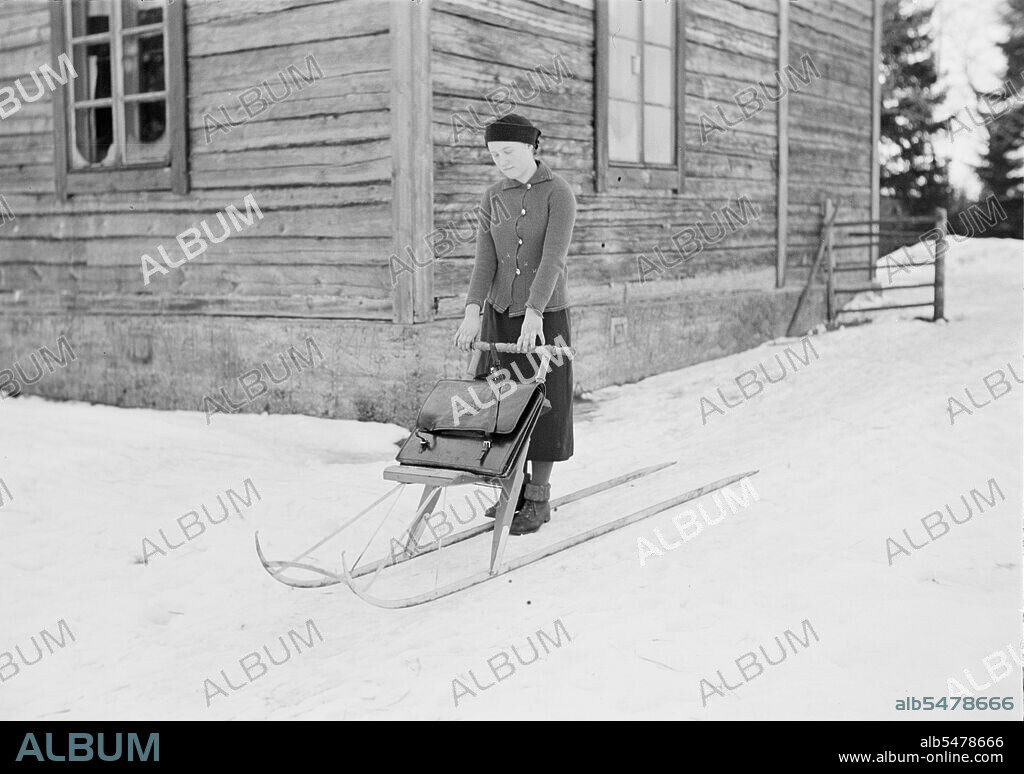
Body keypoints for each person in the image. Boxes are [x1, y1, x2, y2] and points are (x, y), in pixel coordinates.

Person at [453, 113, 577, 536]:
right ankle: (511, 492)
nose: (500, 160)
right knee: (501, 406)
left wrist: (536, 313)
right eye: (493, 154)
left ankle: (538, 499)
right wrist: (473, 310)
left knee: (545, 404)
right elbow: (485, 259)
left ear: (530, 147)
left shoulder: (558, 193)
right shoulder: (493, 197)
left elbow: (552, 259)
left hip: (544, 317)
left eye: (507, 151)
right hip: (501, 315)